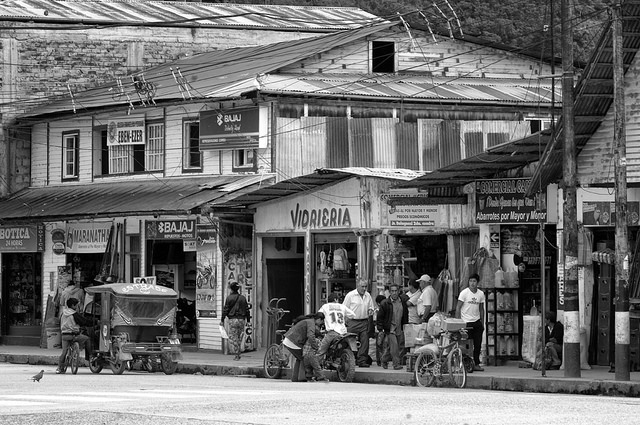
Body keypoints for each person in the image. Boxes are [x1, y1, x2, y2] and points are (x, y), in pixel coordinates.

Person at [283, 313, 326, 382]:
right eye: (322, 321)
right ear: (319, 319)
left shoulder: (309, 321)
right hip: (293, 342)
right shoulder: (311, 323)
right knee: (305, 358)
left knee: (299, 358)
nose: (322, 323)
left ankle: (295, 378)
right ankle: (303, 378)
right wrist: (315, 347)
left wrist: (321, 335)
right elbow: (310, 336)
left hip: (289, 340)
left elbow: (315, 332)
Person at [456, 273, 485, 372]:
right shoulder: (464, 293)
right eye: (470, 281)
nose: (472, 283)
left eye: (474, 281)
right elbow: (458, 307)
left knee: (478, 345)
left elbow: (481, 309)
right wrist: (458, 322)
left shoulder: (480, 294)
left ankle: (476, 363)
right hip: (466, 322)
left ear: (477, 282)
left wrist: (482, 322)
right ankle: (465, 363)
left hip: (476, 322)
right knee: (466, 345)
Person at [343, 279, 375, 368]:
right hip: (352, 321)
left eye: (365, 287)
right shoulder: (350, 295)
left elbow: (371, 307)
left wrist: (370, 310)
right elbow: (344, 309)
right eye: (362, 286)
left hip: (364, 321)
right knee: (350, 341)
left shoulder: (367, 295)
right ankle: (349, 359)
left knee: (365, 341)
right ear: (357, 286)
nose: (364, 289)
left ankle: (362, 360)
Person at [56, 297, 93, 374]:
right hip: (73, 335)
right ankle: (90, 357)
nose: (77, 307)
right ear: (73, 305)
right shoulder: (74, 314)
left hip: (64, 336)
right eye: (76, 305)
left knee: (64, 351)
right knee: (87, 339)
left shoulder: (63, 313)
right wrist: (93, 322)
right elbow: (83, 321)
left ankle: (59, 368)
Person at [316, 293, 356, 364]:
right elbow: (353, 315)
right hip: (343, 333)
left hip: (332, 333)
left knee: (321, 351)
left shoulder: (325, 306)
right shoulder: (342, 306)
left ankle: (314, 371)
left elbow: (319, 315)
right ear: (335, 299)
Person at [376, 284, 408, 370]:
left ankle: (384, 359)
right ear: (390, 292)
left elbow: (405, 314)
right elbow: (380, 317)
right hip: (390, 329)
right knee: (395, 347)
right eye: (392, 291)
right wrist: (380, 329)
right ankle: (396, 364)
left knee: (393, 347)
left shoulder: (402, 302)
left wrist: (406, 325)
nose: (394, 293)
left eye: (396, 291)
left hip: (399, 328)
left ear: (398, 292)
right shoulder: (385, 303)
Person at [220, 282, 250, 360]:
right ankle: (238, 351)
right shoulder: (243, 298)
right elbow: (247, 310)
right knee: (239, 337)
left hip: (233, 319)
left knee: (232, 337)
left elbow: (225, 310)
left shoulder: (229, 298)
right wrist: (248, 320)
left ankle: (237, 354)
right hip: (241, 320)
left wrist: (222, 319)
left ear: (232, 289)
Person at [374, 294, 387, 367]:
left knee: (383, 346)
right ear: (379, 303)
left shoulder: (385, 309)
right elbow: (375, 321)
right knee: (379, 346)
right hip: (378, 331)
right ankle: (379, 360)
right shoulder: (376, 311)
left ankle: (383, 360)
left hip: (384, 330)